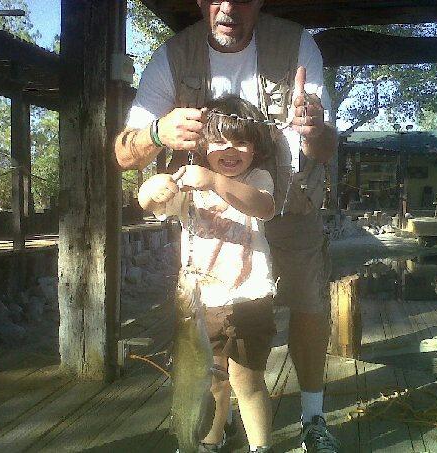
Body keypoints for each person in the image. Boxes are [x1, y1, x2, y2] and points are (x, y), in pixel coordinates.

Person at [115, 2, 339, 451]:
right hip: (213, 222)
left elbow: (326, 147)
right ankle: (214, 429)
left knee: (308, 305)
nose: (229, 7)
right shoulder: (171, 56)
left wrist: (314, 129)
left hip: (291, 202)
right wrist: (157, 133)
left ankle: (312, 419)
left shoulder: (297, 44)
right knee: (211, 352)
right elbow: (124, 153)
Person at [138, 96, 277, 452]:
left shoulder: (257, 178)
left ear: (255, 147)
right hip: (203, 304)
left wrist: (214, 181)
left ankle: (261, 447)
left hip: (249, 299)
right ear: (202, 146)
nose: (230, 150)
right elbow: (151, 204)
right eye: (219, 141)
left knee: (248, 382)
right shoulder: (188, 183)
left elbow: (264, 206)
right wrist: (152, 189)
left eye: (241, 141)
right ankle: (210, 441)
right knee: (213, 382)